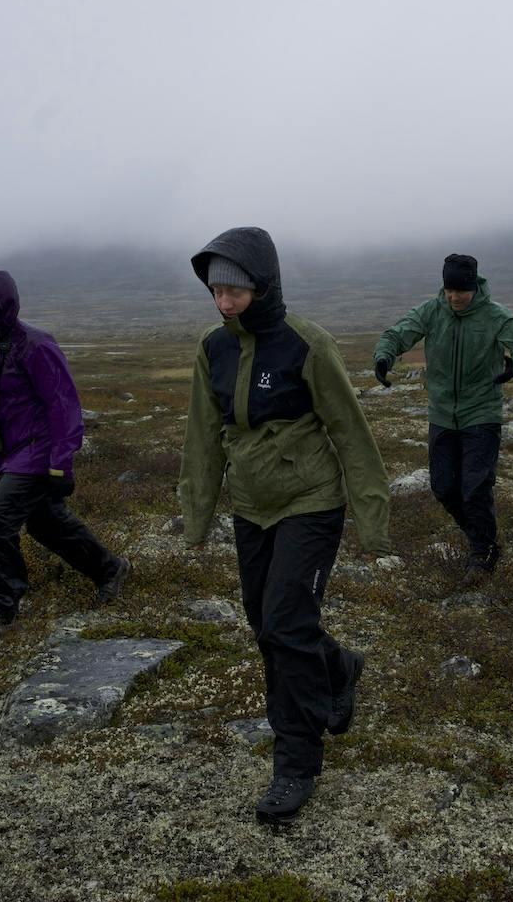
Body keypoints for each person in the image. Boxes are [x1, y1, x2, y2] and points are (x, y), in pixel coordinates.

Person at [178, 227, 392, 826]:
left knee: (287, 626)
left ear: (263, 287)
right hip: (251, 504)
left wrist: (372, 520)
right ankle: (339, 666)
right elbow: (202, 435)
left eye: (235, 293)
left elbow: (351, 431)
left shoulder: (307, 344)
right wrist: (197, 514)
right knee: (264, 622)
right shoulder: (212, 349)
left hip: (311, 501)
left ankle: (295, 762)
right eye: (215, 292)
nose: (223, 303)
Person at [0, 269, 130, 641]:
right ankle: (110, 569)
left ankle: (0, 613)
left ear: (1, 304)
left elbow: (63, 405)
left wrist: (61, 461)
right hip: (5, 453)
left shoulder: (34, 345)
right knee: (44, 522)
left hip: (36, 453)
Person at [373, 253, 513, 575]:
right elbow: (397, 334)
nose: (454, 297)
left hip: (481, 413)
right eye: (449, 290)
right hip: (441, 414)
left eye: (460, 291)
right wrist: (384, 357)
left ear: (473, 287)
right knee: (443, 488)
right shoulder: (432, 310)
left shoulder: (495, 316)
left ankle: (482, 553)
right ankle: (484, 539)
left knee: (475, 487)